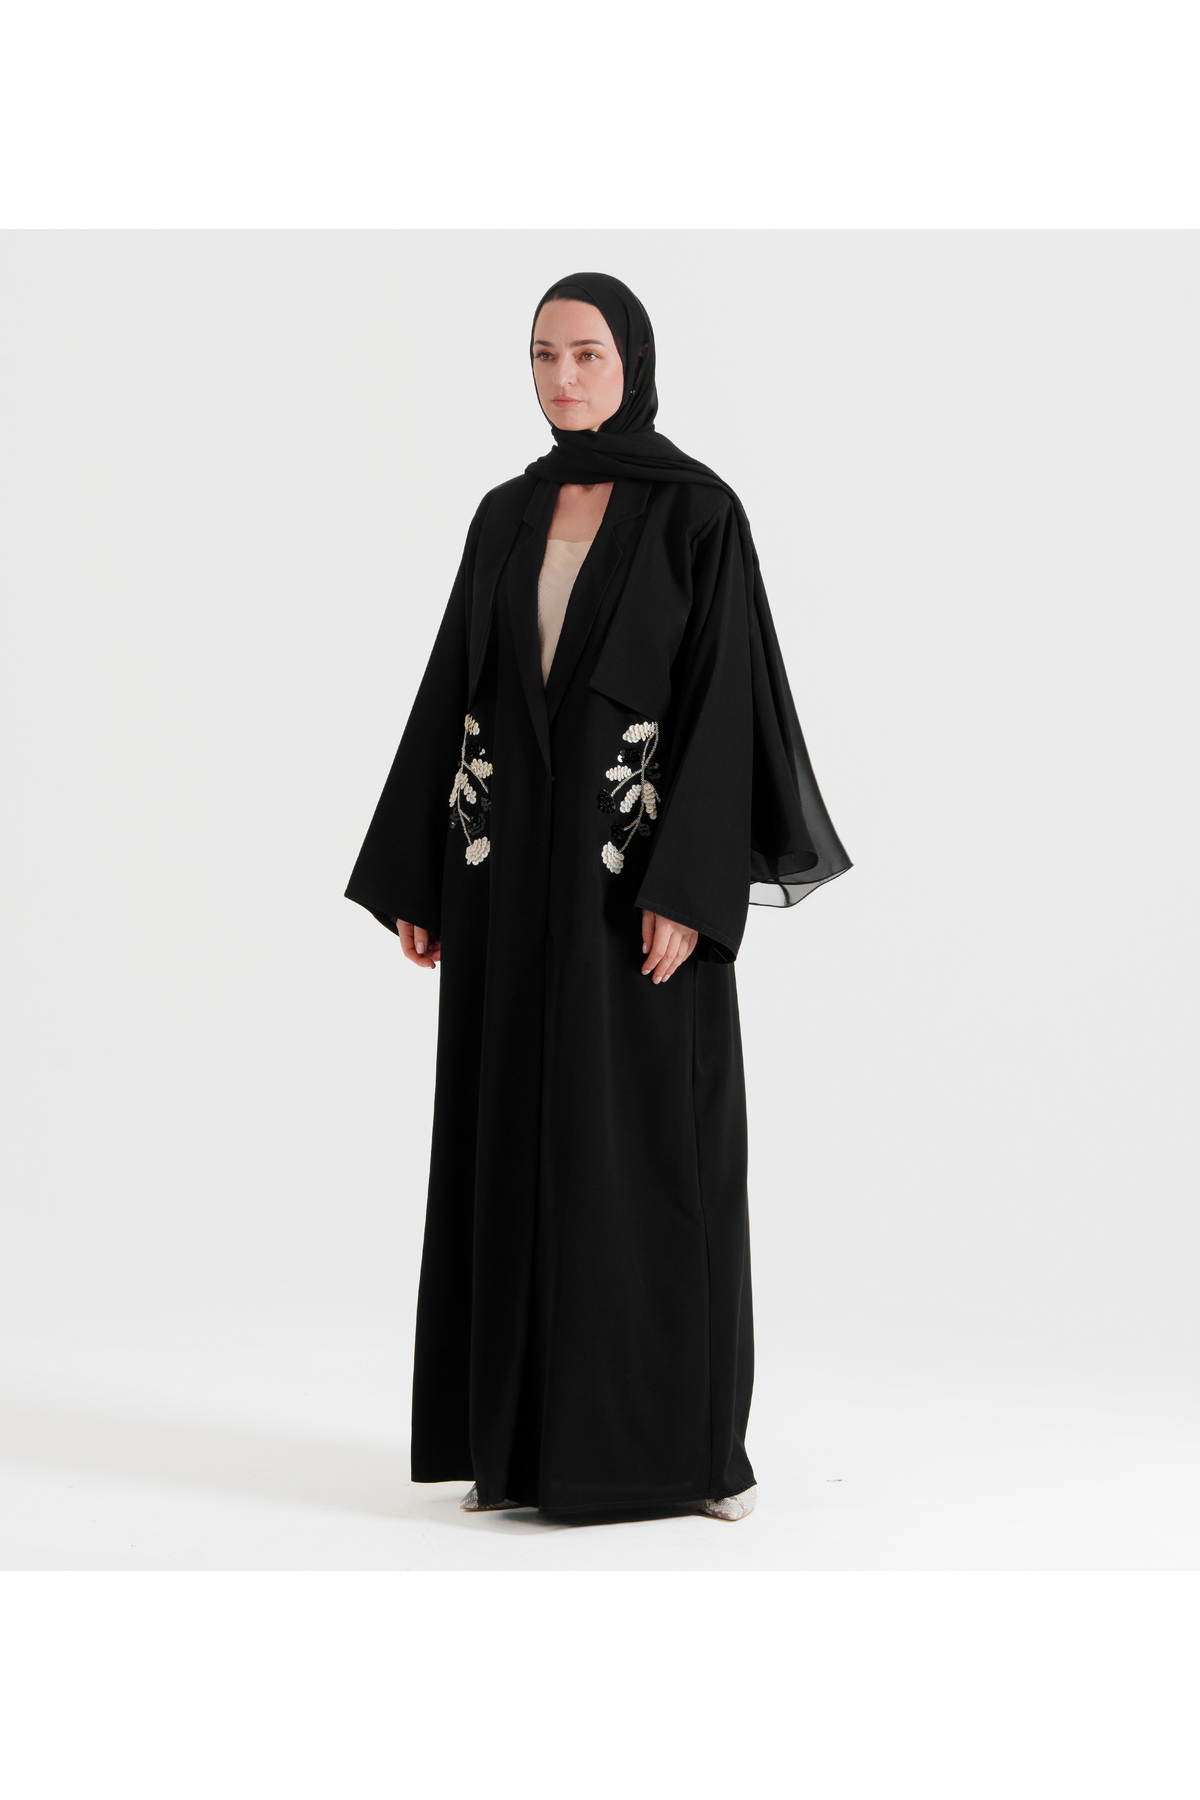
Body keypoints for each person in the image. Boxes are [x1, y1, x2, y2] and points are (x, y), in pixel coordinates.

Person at [345, 272, 851, 1521]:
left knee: (645, 1157)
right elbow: (456, 685)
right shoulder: (505, 514)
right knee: (512, 1140)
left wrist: (690, 885)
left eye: (586, 354)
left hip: (632, 900)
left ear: (633, 361)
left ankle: (681, 1453)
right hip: (508, 885)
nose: (562, 378)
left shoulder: (698, 514)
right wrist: (422, 874)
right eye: (542, 356)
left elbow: (725, 702)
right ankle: (521, 1449)